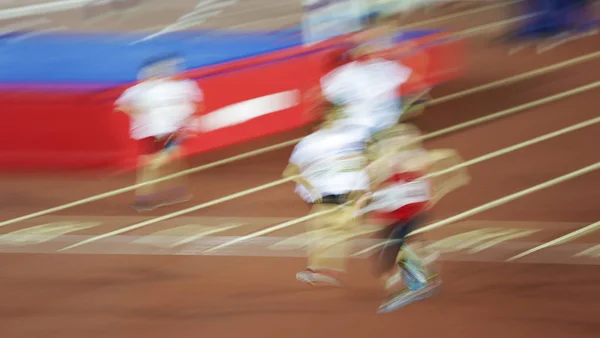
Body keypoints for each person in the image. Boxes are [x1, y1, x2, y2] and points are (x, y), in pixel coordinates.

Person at [353, 123, 469, 313]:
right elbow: (374, 192)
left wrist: (453, 177)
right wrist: (365, 204)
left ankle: (421, 283)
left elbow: (443, 155)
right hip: (399, 216)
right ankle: (422, 263)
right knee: (382, 263)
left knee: (398, 249)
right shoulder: (379, 166)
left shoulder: (405, 160)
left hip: (411, 214)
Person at [282, 117, 372, 286]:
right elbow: (290, 172)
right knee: (328, 230)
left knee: (331, 230)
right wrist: (311, 187)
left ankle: (323, 270)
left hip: (342, 194)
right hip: (330, 195)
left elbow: (290, 172)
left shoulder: (348, 142)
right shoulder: (311, 145)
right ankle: (325, 270)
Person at [114, 53, 204, 212]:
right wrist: (135, 111)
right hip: (150, 133)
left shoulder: (181, 87)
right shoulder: (137, 90)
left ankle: (145, 199)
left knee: (152, 164)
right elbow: (120, 106)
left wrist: (189, 122)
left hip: (170, 131)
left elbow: (196, 105)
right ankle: (176, 190)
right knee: (170, 160)